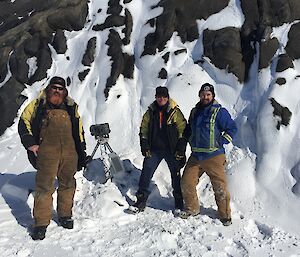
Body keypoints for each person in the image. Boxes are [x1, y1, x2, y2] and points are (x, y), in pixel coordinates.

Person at [18, 76, 88, 240]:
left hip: (69, 152)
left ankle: (64, 216)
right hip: (47, 153)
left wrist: (81, 152)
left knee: (68, 184)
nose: (57, 90)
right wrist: (31, 144)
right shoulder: (38, 104)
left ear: (64, 92)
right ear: (49, 89)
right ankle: (41, 224)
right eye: (54, 87)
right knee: (44, 187)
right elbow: (24, 122)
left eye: (60, 88)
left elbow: (79, 130)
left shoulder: (71, 107)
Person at [179, 83, 237, 226]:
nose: (205, 97)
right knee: (187, 181)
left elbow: (232, 128)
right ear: (200, 95)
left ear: (212, 96)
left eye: (208, 95)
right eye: (203, 94)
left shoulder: (219, 112)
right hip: (196, 155)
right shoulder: (194, 111)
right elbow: (189, 129)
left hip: (214, 156)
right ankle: (192, 209)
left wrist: (223, 140)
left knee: (219, 187)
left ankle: (225, 215)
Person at [130, 86, 187, 213]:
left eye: (164, 97)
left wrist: (181, 148)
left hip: (171, 150)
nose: (162, 99)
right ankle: (140, 200)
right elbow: (143, 129)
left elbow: (183, 129)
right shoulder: (150, 112)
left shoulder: (174, 112)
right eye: (159, 96)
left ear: (168, 97)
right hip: (154, 149)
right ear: (156, 97)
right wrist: (144, 144)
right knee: (146, 172)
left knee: (176, 174)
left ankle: (178, 202)